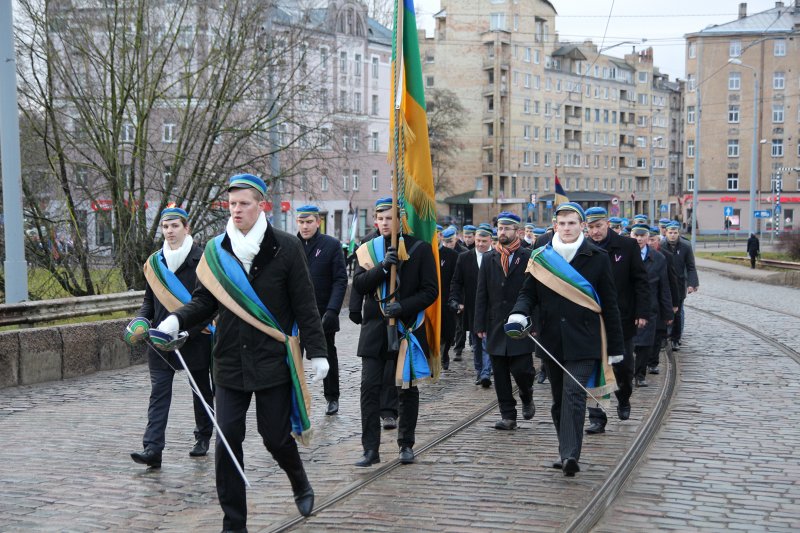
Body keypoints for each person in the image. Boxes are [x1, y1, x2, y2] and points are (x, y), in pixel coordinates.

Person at [158, 174, 329, 528]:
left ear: (261, 205)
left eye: (244, 204)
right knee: (226, 444)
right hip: (229, 361)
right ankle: (233, 523)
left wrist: (318, 351)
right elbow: (205, 301)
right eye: (231, 204)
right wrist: (177, 320)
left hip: (272, 361)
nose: (236, 210)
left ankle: (299, 479)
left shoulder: (286, 247)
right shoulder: (216, 250)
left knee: (276, 438)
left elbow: (305, 304)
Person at [509, 202, 625, 476]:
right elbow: (528, 294)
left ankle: (570, 455)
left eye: (572, 223)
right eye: (561, 223)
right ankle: (565, 448)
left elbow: (609, 303)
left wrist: (616, 348)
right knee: (559, 400)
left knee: (574, 393)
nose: (567, 228)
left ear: (582, 225)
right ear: (554, 226)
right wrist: (518, 313)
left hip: (585, 340)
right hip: (552, 340)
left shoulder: (597, 256)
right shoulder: (540, 257)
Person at [352, 197, 438, 467]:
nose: (385, 223)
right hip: (374, 332)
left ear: (401, 220)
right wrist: (381, 268)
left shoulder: (420, 249)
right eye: (380, 218)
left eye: (390, 218)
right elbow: (360, 285)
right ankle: (370, 449)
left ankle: (406, 444)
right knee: (369, 388)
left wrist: (403, 306)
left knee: (406, 388)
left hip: (406, 328)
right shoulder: (367, 250)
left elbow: (430, 291)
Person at [127, 206, 214, 469]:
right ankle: (152, 448)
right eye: (165, 227)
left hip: (195, 337)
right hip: (160, 339)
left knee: (200, 391)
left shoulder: (203, 260)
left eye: (175, 226)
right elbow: (148, 303)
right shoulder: (155, 263)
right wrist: (141, 320)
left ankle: (203, 436)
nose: (169, 231)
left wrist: (188, 330)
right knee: (159, 393)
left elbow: (209, 306)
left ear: (186, 228)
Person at [584, 207, 650, 431]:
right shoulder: (583, 248)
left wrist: (642, 312)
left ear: (608, 224)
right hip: (592, 319)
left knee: (622, 367)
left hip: (622, 319)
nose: (595, 232)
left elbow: (641, 281)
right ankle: (597, 417)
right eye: (591, 227)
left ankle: (623, 397)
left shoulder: (627, 246)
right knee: (595, 367)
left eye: (599, 226)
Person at [474, 212, 536, 430]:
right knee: (499, 373)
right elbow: (481, 293)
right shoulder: (490, 258)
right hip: (496, 324)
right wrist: (479, 324)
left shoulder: (528, 256)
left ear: (517, 232)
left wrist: (535, 323)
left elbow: (536, 292)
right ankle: (508, 415)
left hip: (521, 324)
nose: (502, 232)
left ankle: (527, 395)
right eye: (499, 228)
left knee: (523, 370)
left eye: (506, 229)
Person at [296, 205, 348, 416]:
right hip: (295, 314)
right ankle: (295, 395)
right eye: (301, 222)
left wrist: (333, 310)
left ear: (318, 222)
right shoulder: (290, 245)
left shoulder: (331, 245)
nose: (305, 226)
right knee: (293, 356)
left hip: (323, 311)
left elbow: (340, 279)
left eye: (309, 222)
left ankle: (332, 397)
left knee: (327, 354)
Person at [449, 223, 493, 388]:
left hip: (492, 308)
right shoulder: (464, 258)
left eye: (484, 241)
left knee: (487, 341)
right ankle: (480, 370)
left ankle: (486, 372)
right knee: (476, 342)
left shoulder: (496, 256)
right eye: (478, 240)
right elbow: (456, 282)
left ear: (491, 241)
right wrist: (455, 300)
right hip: (472, 307)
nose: (481, 244)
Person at [629, 225, 673, 387]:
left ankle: (640, 375)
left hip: (649, 307)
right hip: (628, 306)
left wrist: (668, 313)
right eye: (636, 235)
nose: (639, 239)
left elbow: (664, 287)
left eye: (642, 236)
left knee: (645, 343)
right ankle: (625, 375)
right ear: (630, 236)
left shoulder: (658, 258)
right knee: (628, 344)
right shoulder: (623, 255)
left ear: (648, 238)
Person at [663, 221, 699, 351]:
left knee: (677, 313)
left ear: (678, 233)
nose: (672, 235)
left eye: (675, 233)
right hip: (664, 283)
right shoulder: (661, 246)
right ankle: (662, 337)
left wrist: (692, 283)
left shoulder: (685, 246)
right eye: (670, 233)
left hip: (678, 284)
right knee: (663, 310)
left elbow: (690, 266)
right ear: (666, 233)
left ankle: (675, 339)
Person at [438, 226, 460, 369]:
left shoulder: (451, 255)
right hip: (428, 300)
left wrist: (456, 299)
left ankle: (444, 352)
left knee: (448, 331)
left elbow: (457, 280)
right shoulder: (423, 253)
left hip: (446, 300)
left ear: (439, 236)